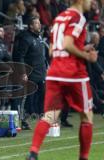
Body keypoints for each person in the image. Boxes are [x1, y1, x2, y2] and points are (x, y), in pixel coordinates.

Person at [26, 0, 98, 160]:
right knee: (87, 116)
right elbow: (67, 43)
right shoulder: (78, 17)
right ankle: (84, 157)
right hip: (74, 73)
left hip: (54, 71)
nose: (91, 2)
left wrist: (81, 48)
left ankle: (33, 152)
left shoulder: (59, 18)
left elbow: (52, 50)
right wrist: (87, 56)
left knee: (50, 115)